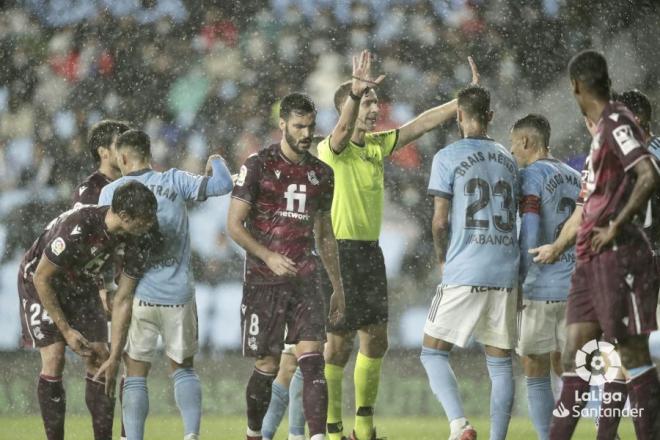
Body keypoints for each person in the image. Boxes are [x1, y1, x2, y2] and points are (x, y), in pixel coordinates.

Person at [317, 50, 479, 440]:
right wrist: (355, 93)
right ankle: (331, 430)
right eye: (367, 103)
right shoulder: (331, 149)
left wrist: (462, 100)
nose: (375, 109)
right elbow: (340, 133)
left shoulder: (376, 145)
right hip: (337, 253)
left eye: (375, 102)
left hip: (369, 253)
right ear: (348, 108)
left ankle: (364, 430)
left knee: (376, 340)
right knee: (337, 346)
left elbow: (421, 124)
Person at [530, 50, 660, 440]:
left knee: (626, 355)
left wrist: (616, 225)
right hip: (593, 258)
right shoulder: (601, 136)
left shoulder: (618, 123)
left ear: (576, 86)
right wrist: (559, 247)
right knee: (579, 356)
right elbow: (586, 207)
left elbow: (647, 174)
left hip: (626, 256)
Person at [93, 129, 233, 440]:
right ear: (149, 153)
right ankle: (191, 435)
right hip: (178, 294)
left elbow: (101, 244)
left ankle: (134, 438)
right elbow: (224, 184)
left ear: (124, 157)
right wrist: (217, 160)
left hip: (136, 295)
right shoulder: (175, 180)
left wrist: (103, 286)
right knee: (182, 369)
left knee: (135, 374)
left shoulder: (111, 192)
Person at [227, 92, 345, 440]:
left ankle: (316, 437)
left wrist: (336, 285)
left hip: (306, 278)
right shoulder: (257, 165)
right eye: (299, 126)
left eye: (310, 126)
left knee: (313, 360)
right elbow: (234, 226)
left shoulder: (321, 174)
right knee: (267, 365)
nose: (307, 133)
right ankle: (253, 433)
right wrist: (268, 256)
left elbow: (324, 234)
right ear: (282, 125)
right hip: (264, 281)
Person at [18, 181, 157, 440]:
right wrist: (67, 330)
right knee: (55, 356)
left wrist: (116, 354)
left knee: (100, 357)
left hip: (81, 284)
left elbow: (124, 297)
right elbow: (42, 278)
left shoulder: (134, 236)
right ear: (125, 217)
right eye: (144, 220)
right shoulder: (78, 228)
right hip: (40, 281)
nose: (148, 225)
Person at [421, 85, 519, 440]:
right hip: (506, 269)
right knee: (500, 363)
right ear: (491, 116)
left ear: (458, 115)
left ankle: (459, 425)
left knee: (432, 352)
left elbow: (439, 221)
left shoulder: (447, 156)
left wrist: (441, 258)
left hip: (465, 267)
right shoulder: (509, 159)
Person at [510, 114, 580, 440]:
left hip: (539, 286)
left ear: (525, 141)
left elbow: (531, 231)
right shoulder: (576, 176)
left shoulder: (530, 176)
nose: (512, 150)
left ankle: (546, 436)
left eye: (513, 144)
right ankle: (599, 431)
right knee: (571, 370)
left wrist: (520, 279)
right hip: (575, 287)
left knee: (534, 367)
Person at [72, 119, 131, 208]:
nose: (128, 151)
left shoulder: (136, 182)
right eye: (120, 145)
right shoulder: (89, 190)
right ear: (103, 152)